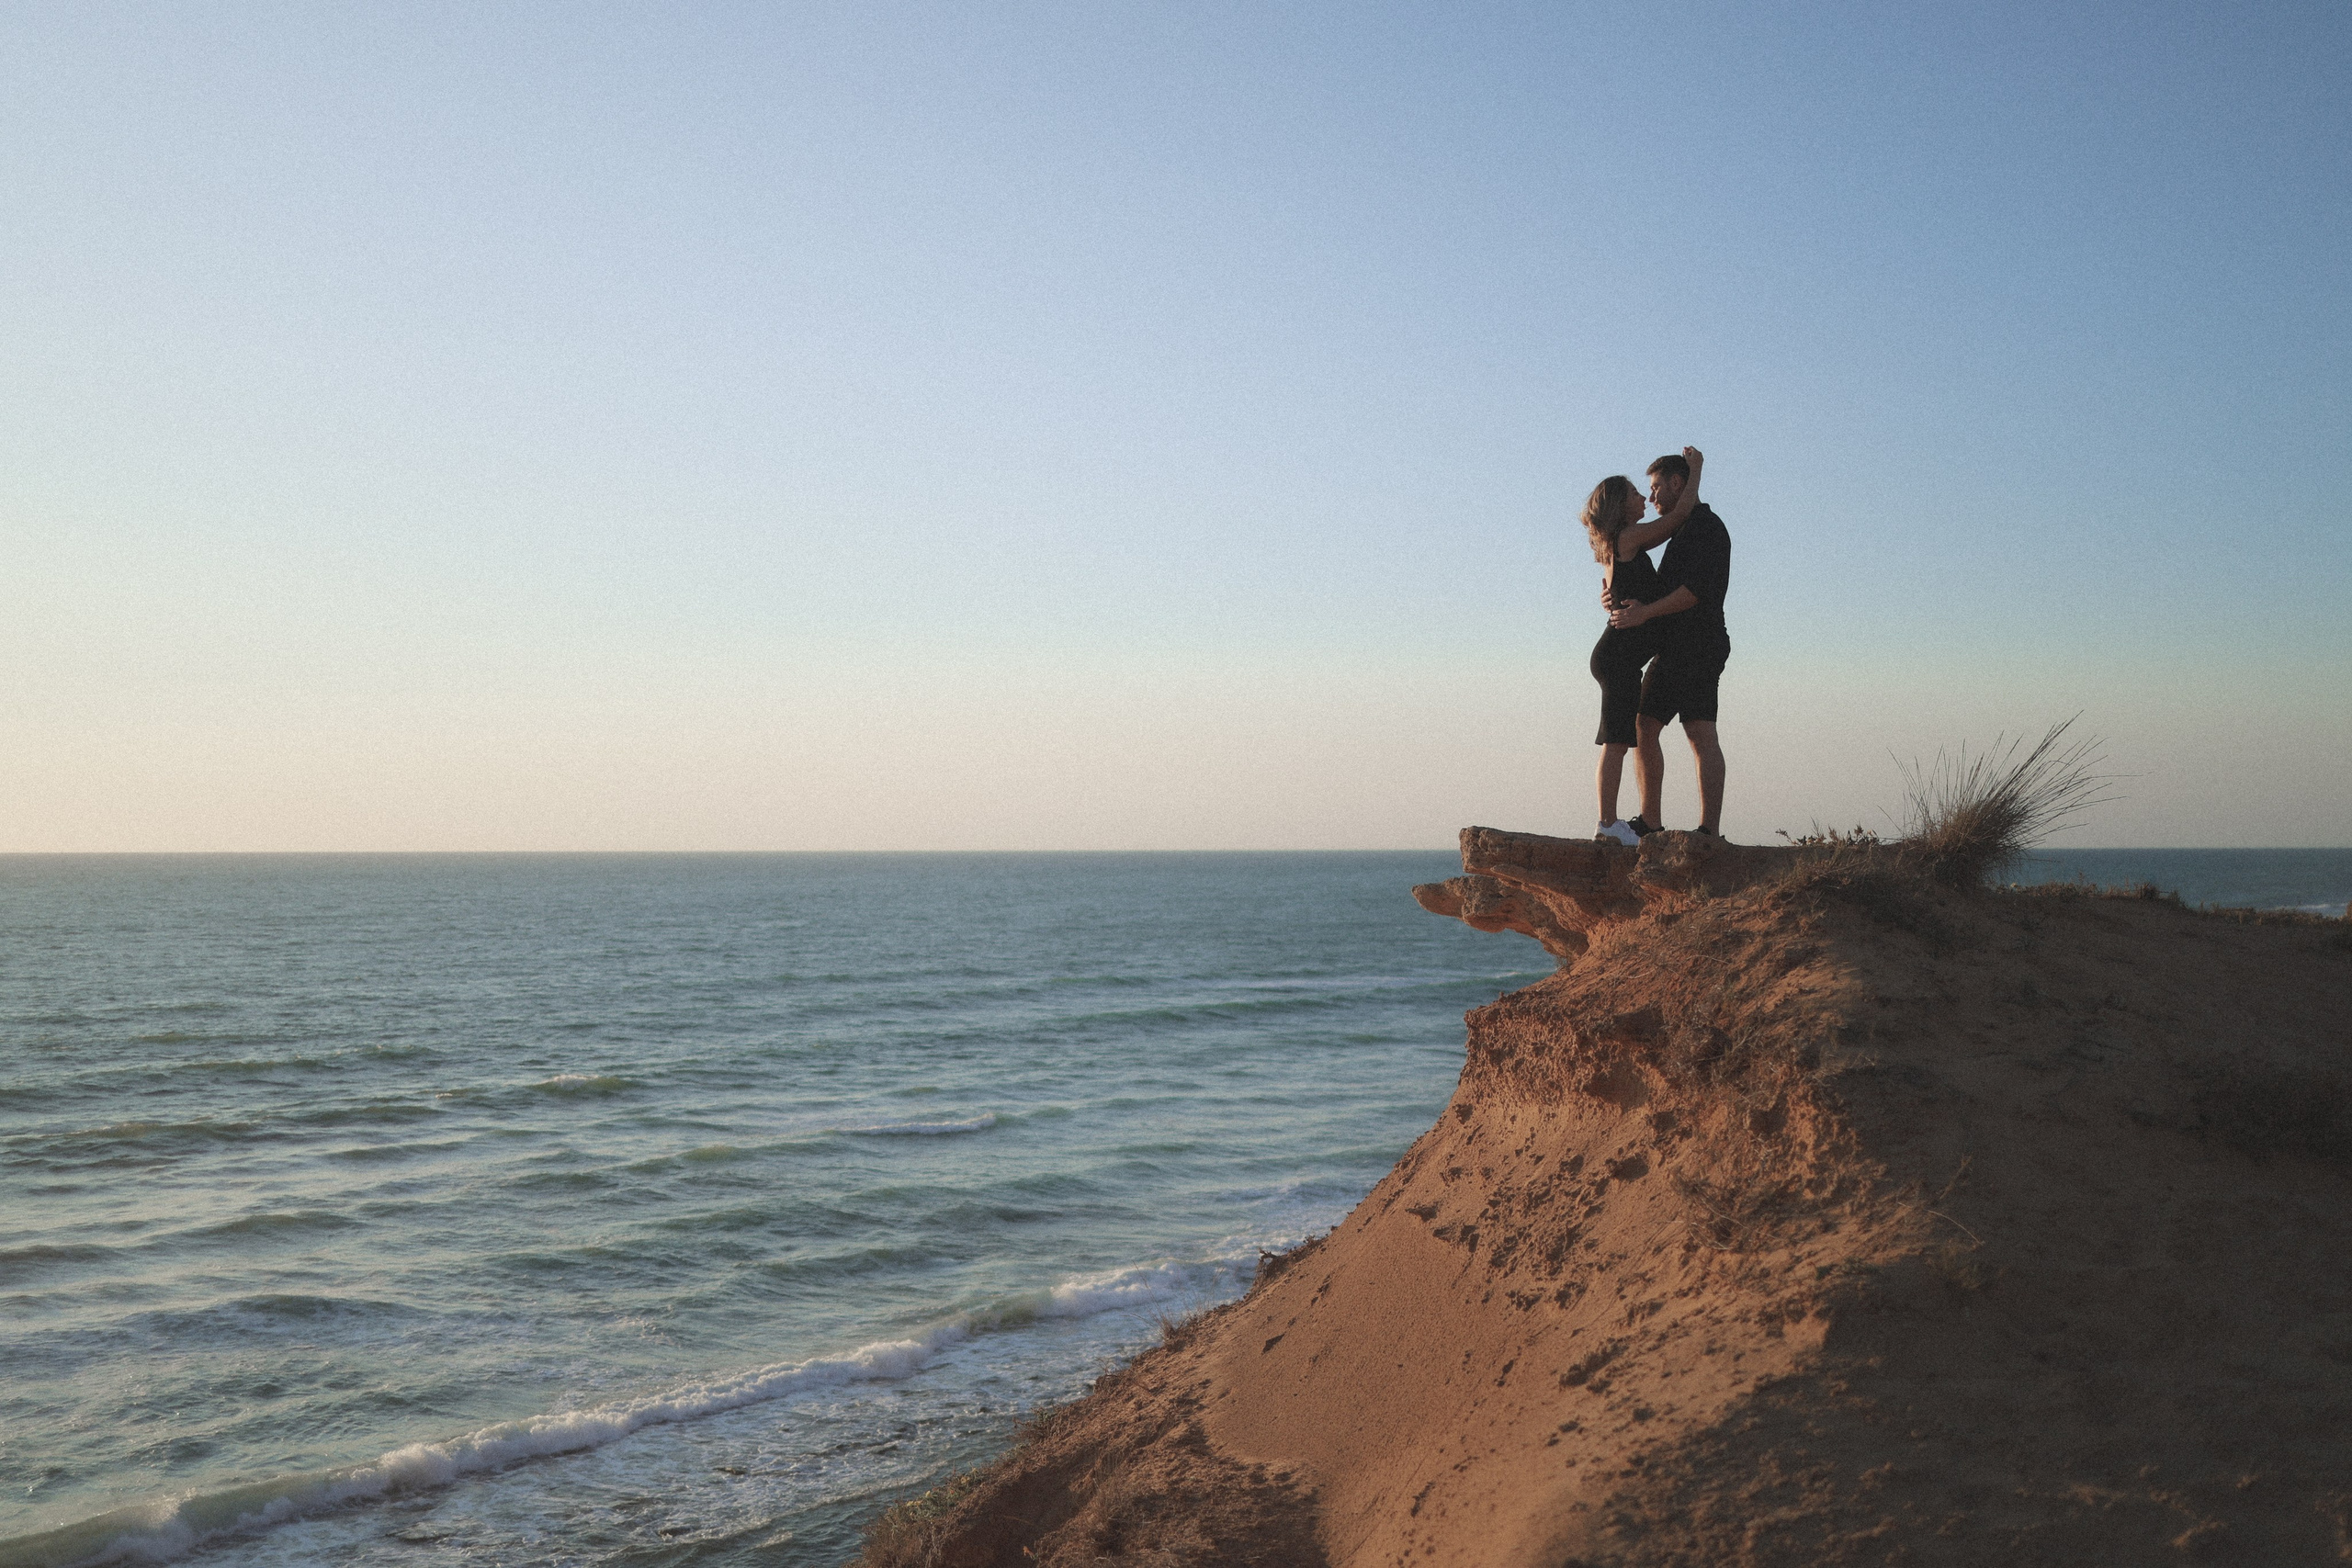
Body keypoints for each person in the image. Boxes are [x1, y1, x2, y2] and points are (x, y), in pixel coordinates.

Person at [1606, 450, 1732, 836]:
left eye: (1657, 487)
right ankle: (1661, 824)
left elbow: (1693, 591)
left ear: (1677, 483)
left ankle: (1699, 830)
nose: (1652, 496)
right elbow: (1654, 582)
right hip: (1681, 644)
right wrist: (1614, 593)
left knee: (1690, 731)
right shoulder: (1683, 527)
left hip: (1697, 644)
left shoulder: (1705, 527)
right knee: (1660, 727)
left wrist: (1645, 613)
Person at [1583, 446, 1703, 845]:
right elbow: (1678, 517)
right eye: (1637, 494)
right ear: (1620, 506)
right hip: (1618, 658)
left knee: (1616, 741)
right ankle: (1608, 824)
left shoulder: (1615, 545)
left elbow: (1613, 590)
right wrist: (1696, 469)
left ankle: (1609, 822)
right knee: (1615, 743)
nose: (1644, 499)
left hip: (1616, 656)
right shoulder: (1629, 537)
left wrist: (1609, 598)